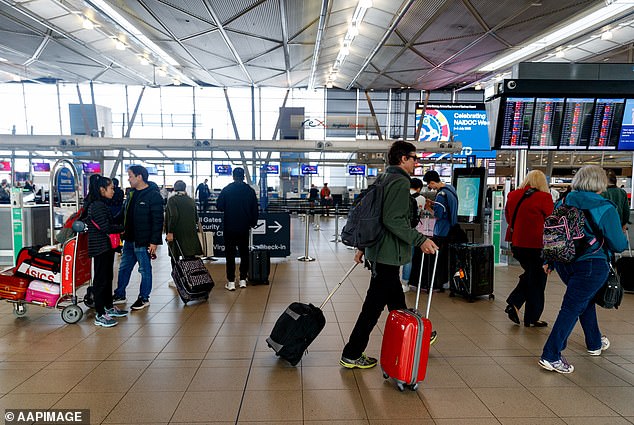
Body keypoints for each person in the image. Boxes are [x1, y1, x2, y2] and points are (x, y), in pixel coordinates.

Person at [340, 141, 439, 370]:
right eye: (414, 157)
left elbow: (374, 215)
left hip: (380, 251)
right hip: (387, 253)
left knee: (395, 300)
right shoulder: (398, 182)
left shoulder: (384, 178)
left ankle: (416, 332)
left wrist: (363, 247)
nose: (417, 162)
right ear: (402, 158)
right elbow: (392, 219)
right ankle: (352, 353)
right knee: (373, 307)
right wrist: (420, 239)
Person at [539, 165, 627, 374]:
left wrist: (549, 261)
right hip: (591, 264)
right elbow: (618, 244)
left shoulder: (563, 202)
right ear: (600, 183)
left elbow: (556, 233)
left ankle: (594, 343)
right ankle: (551, 355)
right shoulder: (606, 207)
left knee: (583, 301)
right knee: (572, 307)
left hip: (564, 262)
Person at [504, 170, 554, 328]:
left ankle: (516, 304)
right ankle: (529, 316)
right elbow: (552, 220)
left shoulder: (513, 195)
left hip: (517, 244)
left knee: (532, 276)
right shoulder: (544, 197)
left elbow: (508, 216)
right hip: (537, 245)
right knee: (538, 280)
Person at [113, 165, 164, 310]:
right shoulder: (131, 194)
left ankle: (144, 298)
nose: (128, 179)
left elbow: (158, 220)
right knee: (124, 268)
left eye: (130, 176)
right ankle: (120, 294)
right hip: (129, 240)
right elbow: (123, 214)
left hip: (143, 241)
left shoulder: (153, 195)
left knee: (144, 270)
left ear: (139, 176)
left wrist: (154, 241)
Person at [85, 174, 127, 327]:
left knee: (108, 277)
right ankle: (100, 313)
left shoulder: (102, 205)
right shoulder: (96, 206)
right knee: (101, 280)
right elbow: (106, 227)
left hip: (106, 247)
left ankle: (108, 307)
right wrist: (123, 228)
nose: (113, 191)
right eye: (111, 188)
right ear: (102, 189)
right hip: (100, 247)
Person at [216, 167, 258, 291]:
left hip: (229, 226)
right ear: (244, 176)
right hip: (244, 227)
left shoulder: (227, 190)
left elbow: (219, 206)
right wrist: (252, 223)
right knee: (244, 253)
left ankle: (231, 281)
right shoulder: (249, 190)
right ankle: (243, 279)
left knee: (230, 254)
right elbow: (255, 209)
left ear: (233, 176)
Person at [422, 169, 460, 291]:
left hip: (442, 231)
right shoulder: (450, 189)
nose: (429, 187)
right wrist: (434, 203)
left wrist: (428, 207)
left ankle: (439, 283)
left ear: (433, 182)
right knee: (448, 258)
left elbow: (438, 215)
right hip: (452, 228)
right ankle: (448, 282)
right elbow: (447, 208)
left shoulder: (440, 195)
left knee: (439, 259)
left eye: (429, 184)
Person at [165, 180, 202, 286]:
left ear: (174, 188)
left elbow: (173, 216)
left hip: (177, 233)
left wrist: (170, 232)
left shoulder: (172, 200)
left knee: (175, 257)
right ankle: (191, 278)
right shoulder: (191, 200)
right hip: (190, 233)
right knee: (189, 257)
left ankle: (178, 280)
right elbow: (196, 218)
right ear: (185, 188)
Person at [401, 177, 425, 292]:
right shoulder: (421, 198)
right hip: (411, 231)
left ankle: (393, 282)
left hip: (398, 229)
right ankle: (405, 284)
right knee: (408, 258)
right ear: (419, 188)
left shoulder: (401, 195)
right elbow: (420, 214)